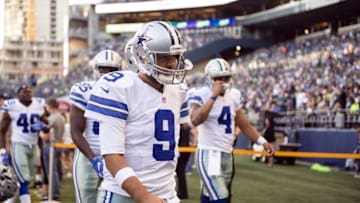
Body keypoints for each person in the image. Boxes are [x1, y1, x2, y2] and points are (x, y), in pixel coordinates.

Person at [84, 21, 193, 203]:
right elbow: (111, 156)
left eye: (175, 56)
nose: (172, 63)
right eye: (164, 56)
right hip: (123, 195)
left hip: (167, 193)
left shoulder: (179, 89)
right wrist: (143, 195)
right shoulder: (119, 87)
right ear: (143, 57)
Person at [188, 58, 274, 203]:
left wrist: (262, 141)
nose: (223, 81)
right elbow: (195, 120)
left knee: (214, 196)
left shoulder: (234, 95)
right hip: (209, 153)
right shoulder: (202, 93)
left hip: (227, 155)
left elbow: (245, 125)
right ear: (210, 78)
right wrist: (213, 96)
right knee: (221, 197)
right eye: (218, 78)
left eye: (226, 77)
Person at [69, 49, 124, 203]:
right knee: (86, 199)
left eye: (111, 69)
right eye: (103, 68)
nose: (106, 73)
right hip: (88, 155)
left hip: (117, 156)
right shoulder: (84, 90)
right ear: (95, 69)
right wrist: (93, 158)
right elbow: (75, 131)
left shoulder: (125, 93)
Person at [0, 84, 46, 203]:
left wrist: (44, 126)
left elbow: (47, 124)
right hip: (18, 144)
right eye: (24, 92)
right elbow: (2, 129)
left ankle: (10, 199)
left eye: (29, 92)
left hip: (33, 145)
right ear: (18, 95)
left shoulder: (39, 104)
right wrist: (3, 149)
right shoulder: (12, 106)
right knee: (23, 178)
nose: (27, 94)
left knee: (27, 179)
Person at [32, 97, 65, 201]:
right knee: (54, 170)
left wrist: (39, 132)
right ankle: (54, 192)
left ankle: (54, 194)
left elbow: (46, 136)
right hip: (59, 144)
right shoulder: (61, 117)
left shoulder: (52, 118)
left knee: (51, 171)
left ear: (49, 106)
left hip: (50, 146)